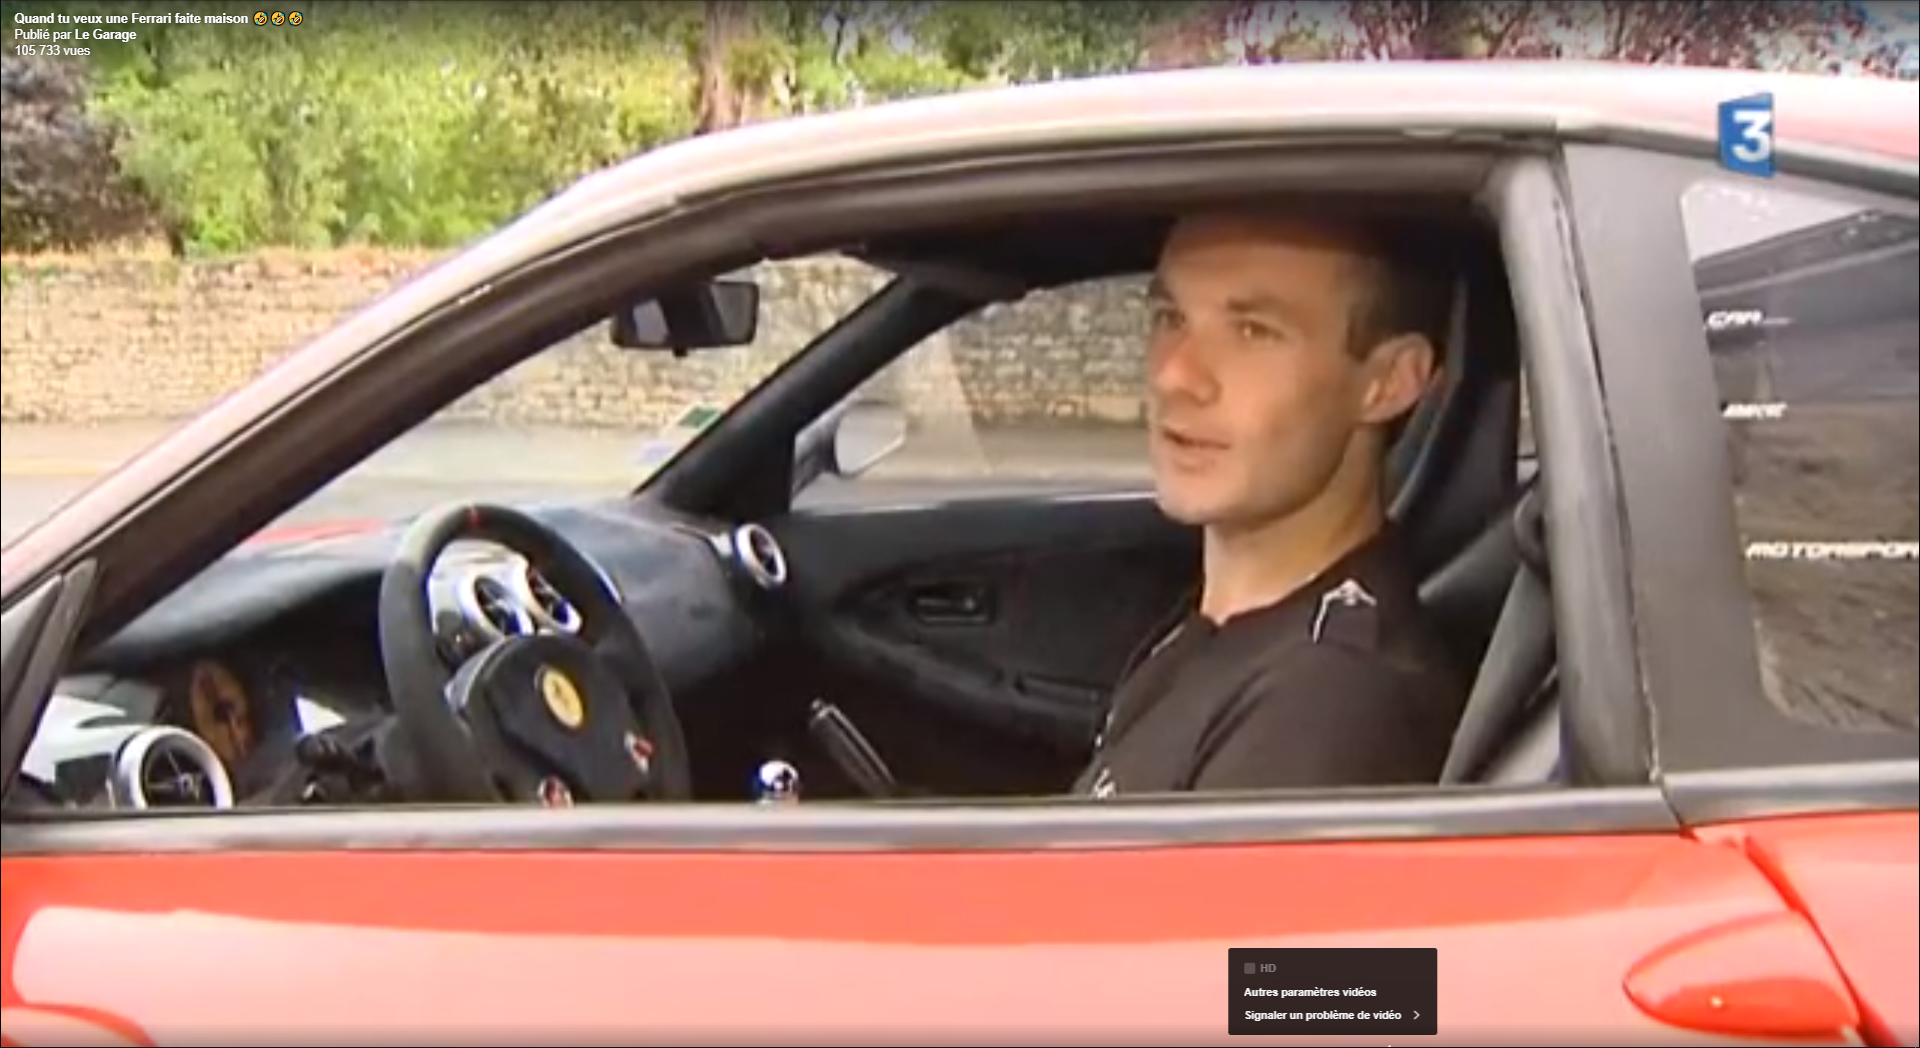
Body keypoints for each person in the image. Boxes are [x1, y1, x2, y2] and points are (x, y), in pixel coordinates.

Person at [1074, 208, 1469, 797]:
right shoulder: (1229, 629)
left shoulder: (1322, 707)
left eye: (1253, 331)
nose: (1174, 375)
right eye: (1170, 317)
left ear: (1388, 381)